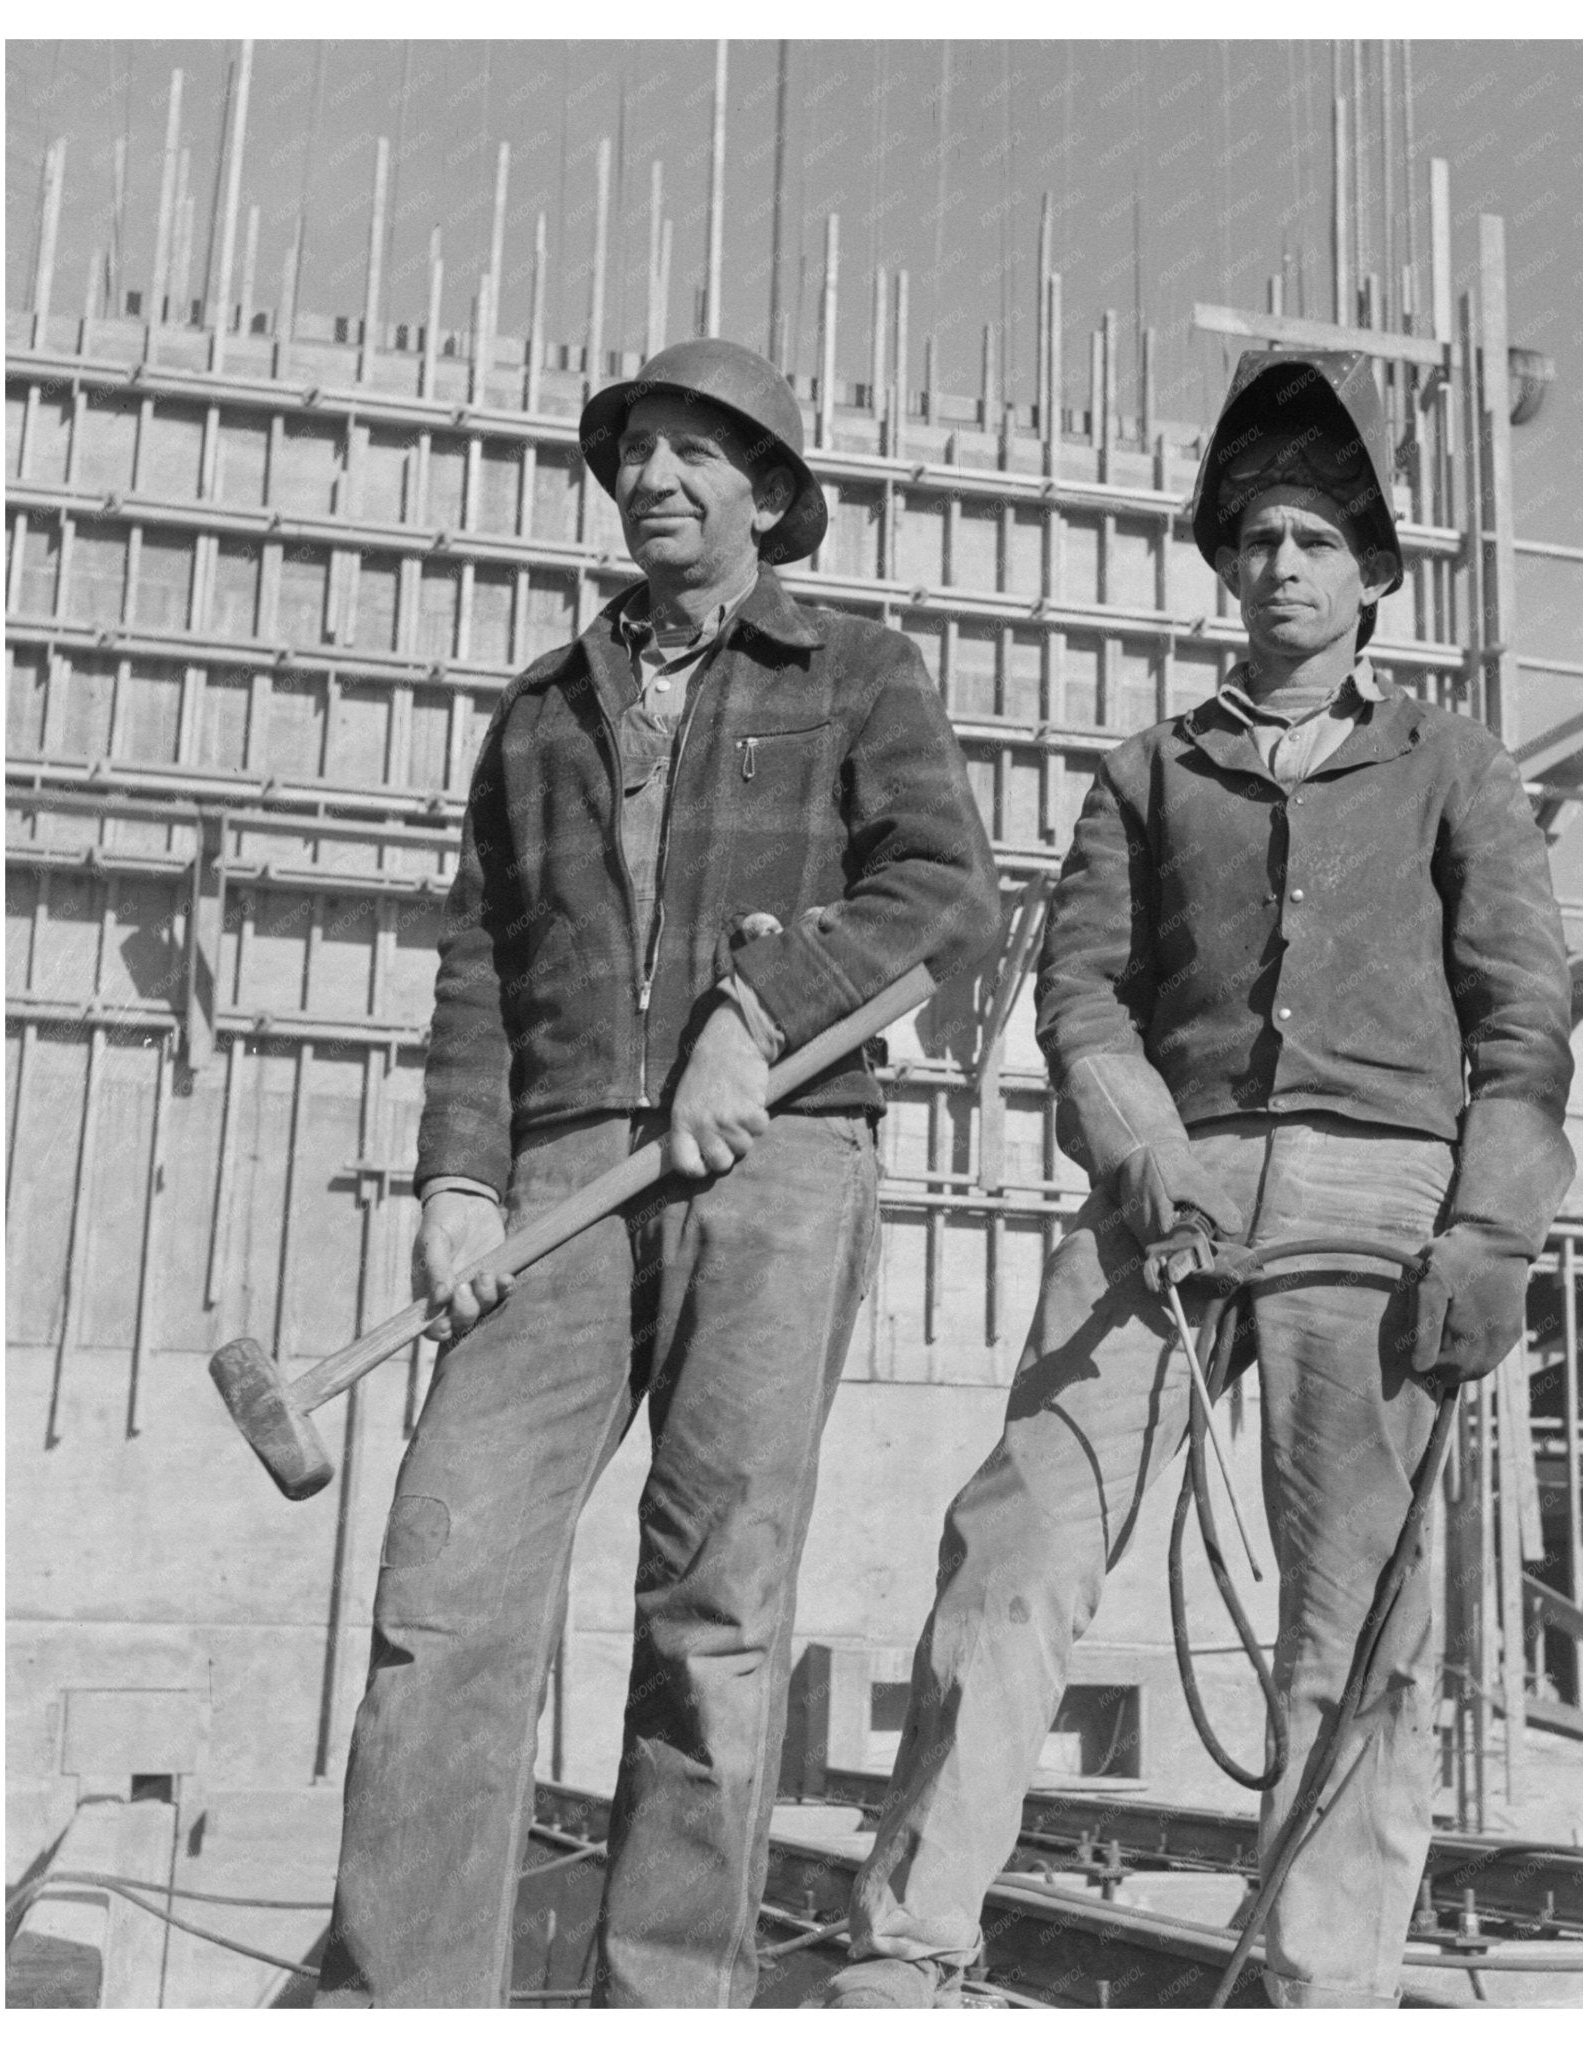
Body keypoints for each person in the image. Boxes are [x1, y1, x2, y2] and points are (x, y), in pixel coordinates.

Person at [824, 350, 1577, 2008]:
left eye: (1314, 538)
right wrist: (1140, 1142)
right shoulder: (1146, 774)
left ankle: (1330, 1988)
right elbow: (1077, 992)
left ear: (1369, 572)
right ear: (1224, 565)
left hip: (1377, 1212)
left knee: (1349, 1619)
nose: (1281, 567)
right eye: (1254, 538)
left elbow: (1522, 1017)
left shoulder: (1450, 768)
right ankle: (902, 1951)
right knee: (1014, 1545)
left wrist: (1489, 1228)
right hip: (1158, 1201)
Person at [315, 338, 1000, 2006]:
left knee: (713, 1609)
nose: (654, 478)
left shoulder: (855, 669)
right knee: (443, 1587)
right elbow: (481, 957)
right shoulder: (541, 712)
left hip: (770, 1161)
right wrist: (457, 1178)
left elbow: (944, 894)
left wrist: (752, 1014)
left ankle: (667, 2003)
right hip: (556, 1175)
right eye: (635, 451)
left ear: (765, 493)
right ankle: (399, 2002)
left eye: (697, 451)